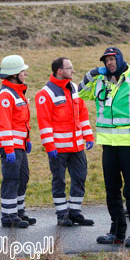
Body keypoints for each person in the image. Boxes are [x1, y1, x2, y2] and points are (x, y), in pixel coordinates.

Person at [78, 47, 130, 248]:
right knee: (111, 190)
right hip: (108, 146)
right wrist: (92, 74)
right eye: (106, 60)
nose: (109, 63)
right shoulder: (100, 81)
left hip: (129, 145)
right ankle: (117, 232)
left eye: (112, 59)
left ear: (120, 59)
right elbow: (80, 92)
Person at [35, 57, 95, 227]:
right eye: (70, 68)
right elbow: (44, 123)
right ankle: (62, 215)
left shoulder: (75, 89)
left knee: (80, 177)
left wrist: (88, 136)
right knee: (59, 180)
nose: (73, 71)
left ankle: (75, 212)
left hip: (77, 147)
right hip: (58, 149)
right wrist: (49, 146)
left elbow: (82, 114)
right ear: (59, 71)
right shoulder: (45, 94)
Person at [0, 55, 35, 228]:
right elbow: (4, 124)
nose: (25, 73)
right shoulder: (6, 95)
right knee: (11, 179)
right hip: (10, 146)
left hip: (20, 144)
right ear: (14, 74)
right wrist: (9, 149)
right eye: (22, 71)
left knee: (22, 177)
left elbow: (22, 122)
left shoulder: (18, 93)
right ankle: (8, 217)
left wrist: (27, 140)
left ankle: (18, 212)